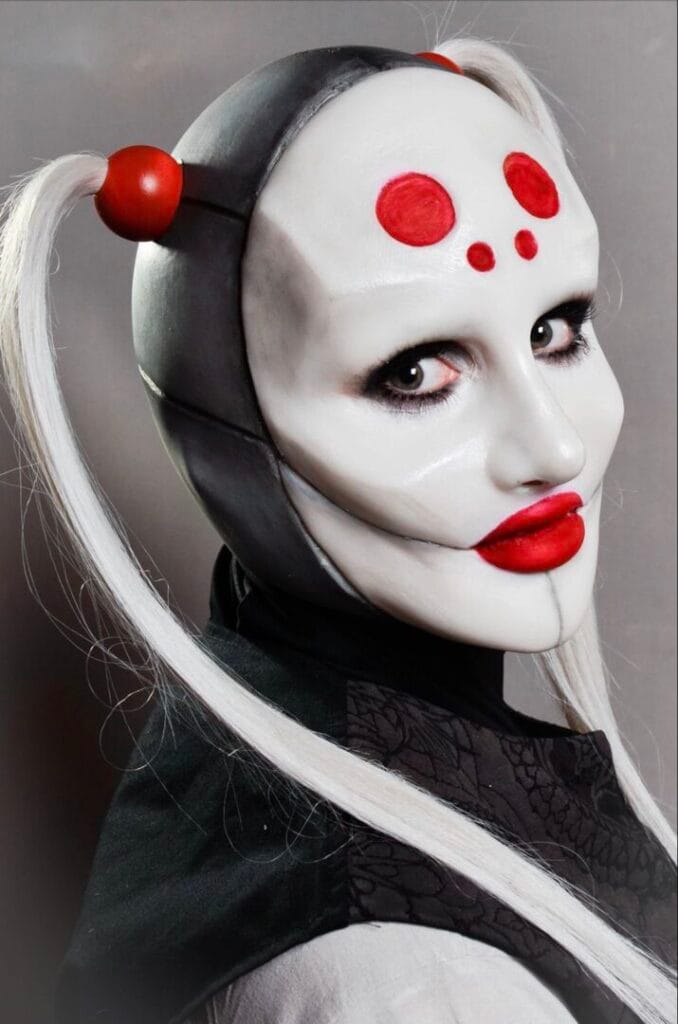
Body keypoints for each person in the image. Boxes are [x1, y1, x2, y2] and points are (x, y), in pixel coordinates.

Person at [0, 38, 675, 1024]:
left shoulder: (253, 744)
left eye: (555, 328)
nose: (556, 447)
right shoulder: (405, 986)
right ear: (227, 434)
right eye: (416, 371)